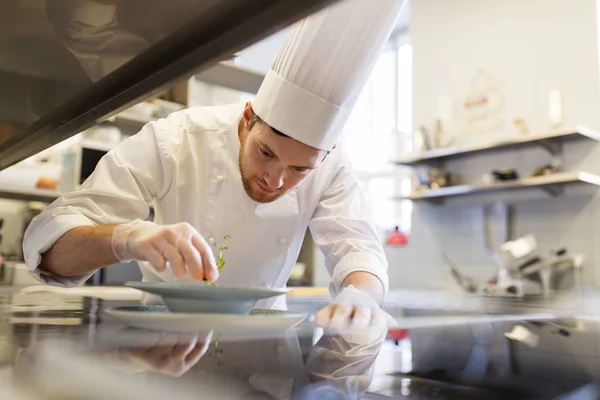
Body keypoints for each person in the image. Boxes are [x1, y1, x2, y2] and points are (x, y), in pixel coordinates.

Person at [23, 0, 404, 327]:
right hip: (163, 344)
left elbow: (358, 249)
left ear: (326, 152)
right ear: (246, 119)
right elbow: (50, 242)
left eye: (300, 170)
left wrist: (363, 297)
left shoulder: (333, 166)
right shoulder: (176, 138)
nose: (276, 179)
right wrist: (127, 238)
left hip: (267, 356)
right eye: (266, 153)